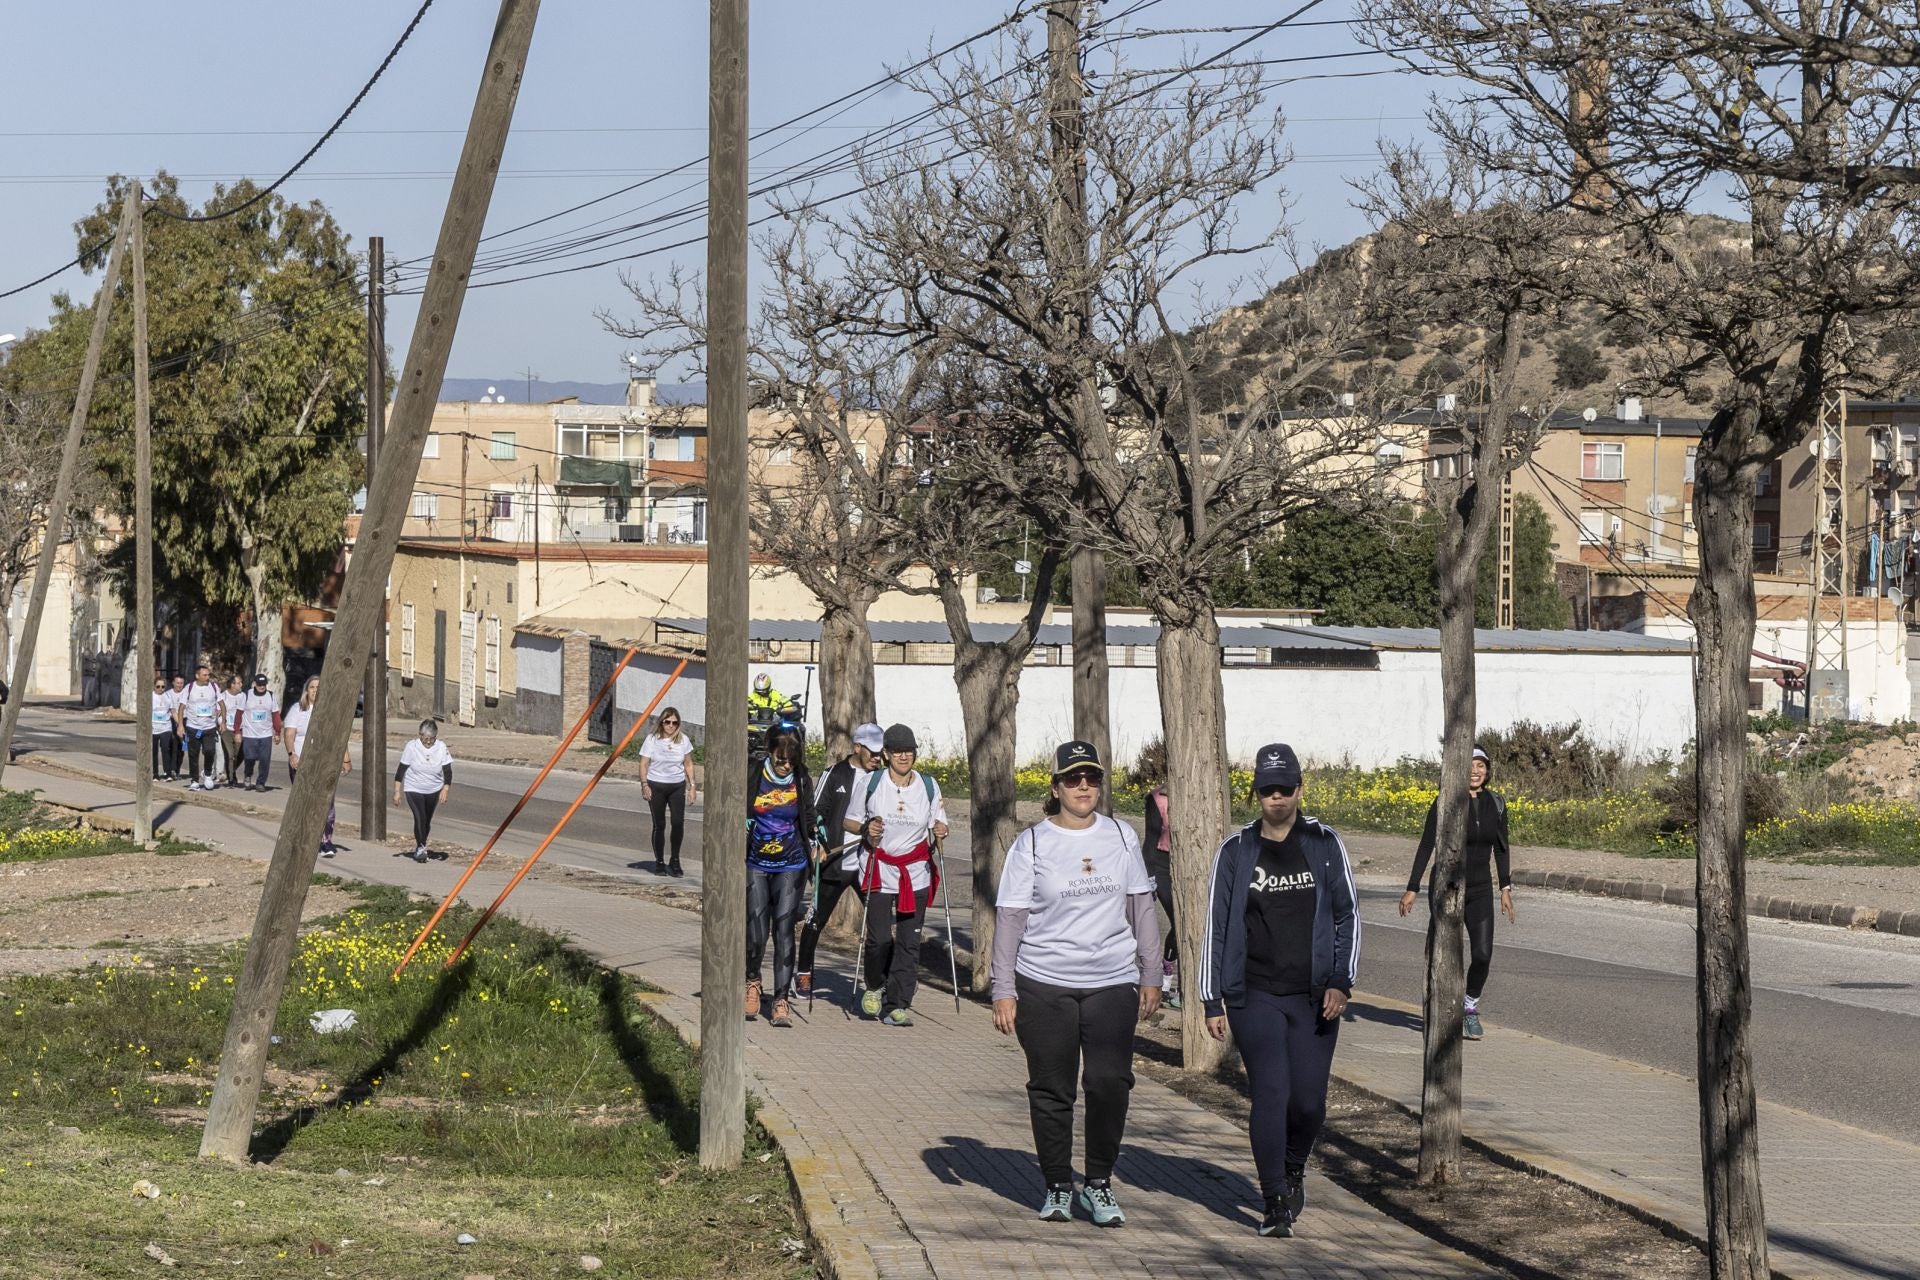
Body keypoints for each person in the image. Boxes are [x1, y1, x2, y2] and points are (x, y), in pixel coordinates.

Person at [992, 740, 1162, 1228]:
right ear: (1056, 787)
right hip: (1045, 982)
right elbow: (1010, 919)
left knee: (1110, 1083)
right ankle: (1057, 1185)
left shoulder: (1121, 836)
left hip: (1112, 980)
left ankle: (1099, 1182)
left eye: (1091, 778)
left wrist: (1151, 972)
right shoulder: (1034, 843)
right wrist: (1004, 988)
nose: (1083, 786)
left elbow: (1140, 906)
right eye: (1073, 778)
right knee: (1053, 1087)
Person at [1202, 742, 1360, 1239]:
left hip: (1314, 995)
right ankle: (1273, 1199)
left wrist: (1341, 981)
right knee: (1271, 1091)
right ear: (1256, 793)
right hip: (1255, 994)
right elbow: (1215, 928)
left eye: (1284, 788)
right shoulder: (1236, 851)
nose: (1276, 798)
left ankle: (1294, 1167)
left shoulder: (1325, 844)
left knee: (1309, 1104)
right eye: (1267, 789)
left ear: (1299, 789)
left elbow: (1346, 915)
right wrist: (1212, 998)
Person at [1399, 746, 1515, 1042]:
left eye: (1481, 765)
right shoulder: (1445, 801)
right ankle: (1439, 1009)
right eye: (1469, 765)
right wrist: (1413, 887)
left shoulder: (1497, 804)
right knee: (1446, 955)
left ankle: (1470, 1008)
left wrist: (1505, 887)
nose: (1475, 771)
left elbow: (1501, 848)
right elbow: (1427, 845)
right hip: (1446, 887)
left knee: (1483, 954)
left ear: (1487, 771)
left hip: (1479, 889)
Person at [844, 723, 949, 1027]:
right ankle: (875, 985)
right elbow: (851, 821)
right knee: (878, 940)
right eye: (898, 751)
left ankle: (897, 1003)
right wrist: (867, 829)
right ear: (887, 754)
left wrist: (942, 831)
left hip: (915, 872)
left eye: (909, 751)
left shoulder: (928, 785)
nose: (904, 756)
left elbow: (938, 827)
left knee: (909, 942)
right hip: (879, 868)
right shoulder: (872, 783)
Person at [796, 721, 884, 998]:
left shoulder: (881, 778)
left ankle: (880, 980)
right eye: (873, 752)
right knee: (815, 920)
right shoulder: (835, 774)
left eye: (881, 753)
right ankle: (804, 973)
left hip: (866, 864)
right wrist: (817, 844)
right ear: (857, 748)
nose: (878, 758)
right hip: (834, 863)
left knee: (882, 924)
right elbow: (814, 813)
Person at [745, 727, 817, 1028]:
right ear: (769, 751)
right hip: (756, 861)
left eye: (791, 759)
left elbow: (810, 816)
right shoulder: (754, 772)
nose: (786, 765)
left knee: (784, 930)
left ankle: (781, 1000)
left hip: (791, 863)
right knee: (757, 931)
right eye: (780, 759)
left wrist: (816, 841)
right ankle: (752, 982)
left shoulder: (801, 778)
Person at [282, 676, 352, 858]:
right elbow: (289, 734)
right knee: (304, 803)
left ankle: (326, 841)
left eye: (318, 687)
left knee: (327, 804)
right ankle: (302, 840)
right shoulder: (298, 709)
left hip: (326, 763)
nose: (315, 690)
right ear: (307, 690)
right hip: (302, 764)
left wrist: (346, 758)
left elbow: (339, 736)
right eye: (312, 687)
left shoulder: (331, 710)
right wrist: (292, 754)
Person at [639, 706, 696, 877]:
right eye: (667, 722)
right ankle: (659, 862)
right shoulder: (652, 739)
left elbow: (688, 763)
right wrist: (644, 784)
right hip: (656, 785)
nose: (671, 726)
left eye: (674, 723)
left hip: (676, 785)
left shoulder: (683, 740)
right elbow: (643, 763)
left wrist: (692, 786)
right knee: (660, 824)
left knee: (678, 823)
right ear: (661, 722)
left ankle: (675, 860)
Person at [1141, 777, 1181, 1010]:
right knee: (1178, 920)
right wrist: (1148, 875)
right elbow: (1151, 837)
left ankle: (1178, 985)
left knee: (1189, 923)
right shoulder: (1156, 799)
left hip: (1190, 864)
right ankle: (1165, 982)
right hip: (1162, 864)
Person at [394, 718, 453, 864]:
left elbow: (447, 770)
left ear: (435, 737)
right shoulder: (412, 746)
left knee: (426, 820)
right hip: (414, 788)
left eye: (431, 739)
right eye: (425, 738)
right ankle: (421, 847)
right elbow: (401, 770)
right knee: (419, 817)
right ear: (420, 736)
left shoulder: (441, 747)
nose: (427, 742)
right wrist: (397, 791)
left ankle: (421, 844)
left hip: (433, 788)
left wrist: (445, 788)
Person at [179, 664, 223, 790]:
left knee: (210, 751)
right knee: (193, 754)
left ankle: (208, 774)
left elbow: (221, 703)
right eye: (205, 675)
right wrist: (180, 725)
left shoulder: (213, 687)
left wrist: (222, 719)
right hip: (193, 727)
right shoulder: (189, 688)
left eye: (208, 674)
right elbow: (182, 707)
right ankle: (194, 780)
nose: (207, 677)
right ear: (197, 676)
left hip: (209, 727)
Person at [235, 673, 279, 791]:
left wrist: (277, 732)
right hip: (250, 734)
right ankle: (248, 775)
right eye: (259, 684)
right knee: (249, 758)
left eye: (264, 684)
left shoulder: (271, 696)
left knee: (265, 760)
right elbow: (239, 714)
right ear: (254, 684)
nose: (261, 686)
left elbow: (275, 715)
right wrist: (237, 731)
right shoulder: (246, 695)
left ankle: (261, 783)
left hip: (266, 734)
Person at [217, 675, 244, 787]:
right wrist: (220, 723)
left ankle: (230, 771)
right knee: (230, 754)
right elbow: (217, 713)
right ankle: (232, 777)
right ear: (232, 685)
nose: (241, 685)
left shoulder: (242, 696)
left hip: (240, 730)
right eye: (239, 683)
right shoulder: (223, 696)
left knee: (239, 755)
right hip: (226, 729)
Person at [147, 675, 175, 780]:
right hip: (153, 728)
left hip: (165, 727)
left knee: (166, 750)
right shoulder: (150, 696)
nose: (160, 689)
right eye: (158, 686)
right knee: (154, 751)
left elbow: (173, 711)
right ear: (154, 686)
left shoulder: (167, 696)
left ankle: (167, 773)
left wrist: (180, 724)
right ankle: (155, 774)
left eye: (163, 687)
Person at [164, 674, 188, 780]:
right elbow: (172, 711)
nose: (179, 685)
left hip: (186, 720)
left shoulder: (186, 694)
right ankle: (171, 769)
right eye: (177, 683)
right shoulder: (168, 694)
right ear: (173, 683)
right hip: (173, 721)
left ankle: (177, 769)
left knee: (182, 747)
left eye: (181, 683)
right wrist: (179, 725)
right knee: (173, 744)